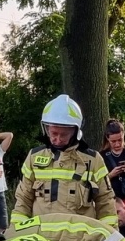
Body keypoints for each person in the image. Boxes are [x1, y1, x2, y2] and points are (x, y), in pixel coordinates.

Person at [12, 94, 115, 224]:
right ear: (46, 129)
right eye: (54, 133)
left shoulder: (93, 160)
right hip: (40, 240)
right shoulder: (34, 157)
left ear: (75, 132)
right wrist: (16, 232)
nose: (58, 139)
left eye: (64, 134)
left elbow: (105, 202)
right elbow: (23, 200)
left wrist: (109, 240)